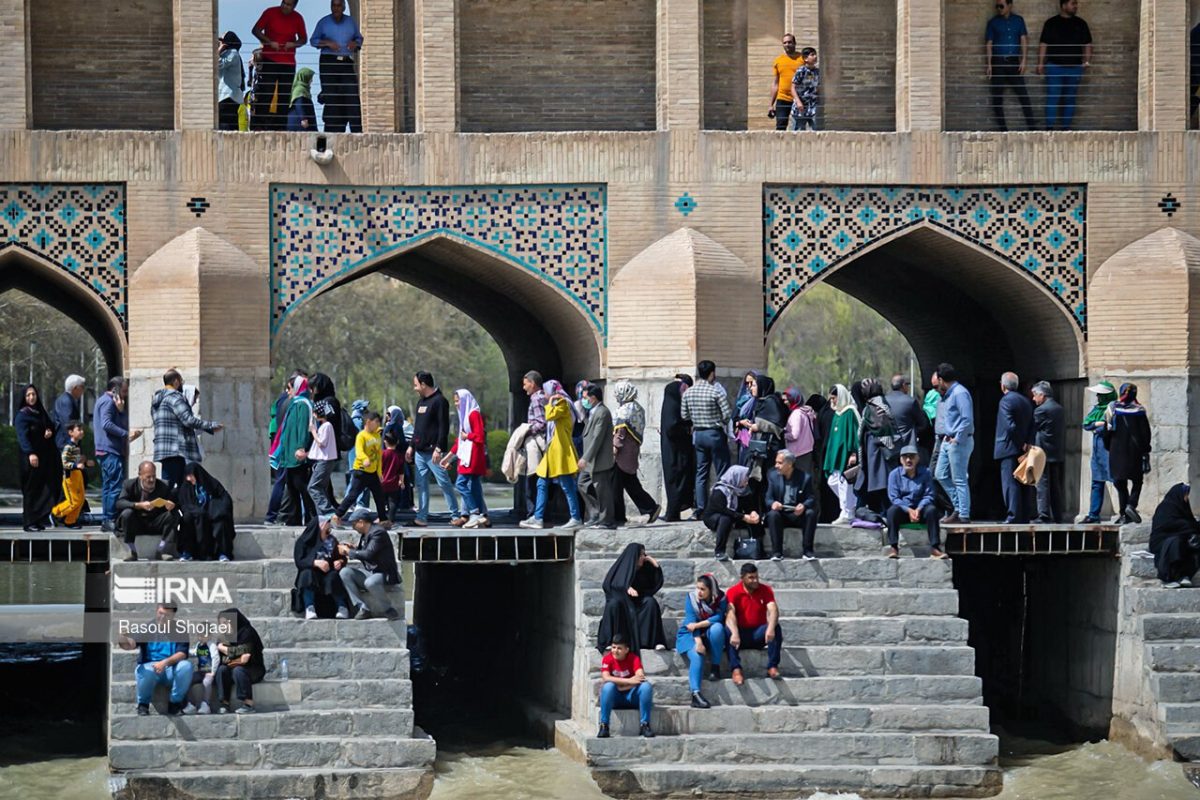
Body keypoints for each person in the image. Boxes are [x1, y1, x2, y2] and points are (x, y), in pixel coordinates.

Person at [520, 380, 585, 530]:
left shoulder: (562, 402)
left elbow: (549, 416)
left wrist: (550, 402)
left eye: (546, 391)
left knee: (567, 485)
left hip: (561, 450)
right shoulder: (558, 401)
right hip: (553, 449)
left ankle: (575, 517)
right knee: (541, 482)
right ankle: (538, 517)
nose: (544, 394)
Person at [407, 372, 463, 527]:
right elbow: (418, 428)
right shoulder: (420, 402)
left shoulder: (440, 401)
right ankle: (422, 516)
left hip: (434, 452)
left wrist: (439, 448)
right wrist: (411, 447)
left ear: (424, 384)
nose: (415, 388)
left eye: (416, 385)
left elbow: (443, 427)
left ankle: (455, 515)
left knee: (443, 482)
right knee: (421, 484)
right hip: (419, 451)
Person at [117, 603, 193, 716]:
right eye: (160, 613)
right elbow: (129, 645)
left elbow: (182, 654)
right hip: (150, 669)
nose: (162, 617)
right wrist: (122, 637)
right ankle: (143, 705)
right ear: (156, 611)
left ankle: (175, 703)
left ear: (173, 615)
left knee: (186, 666)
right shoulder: (146, 628)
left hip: (170, 669)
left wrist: (164, 663)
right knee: (146, 670)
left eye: (167, 615)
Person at [152, 370, 222, 491]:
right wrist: (210, 425)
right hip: (177, 449)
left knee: (167, 485)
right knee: (180, 487)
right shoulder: (175, 398)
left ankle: (168, 509)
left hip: (164, 449)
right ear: (176, 381)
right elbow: (188, 420)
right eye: (181, 381)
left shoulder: (157, 401)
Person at [596, 542, 668, 653]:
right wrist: (625, 588)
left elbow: (653, 585)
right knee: (613, 604)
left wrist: (654, 564)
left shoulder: (644, 569)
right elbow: (609, 586)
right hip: (622, 607)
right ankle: (611, 642)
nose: (643, 558)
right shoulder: (621, 569)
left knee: (650, 602)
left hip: (637, 604)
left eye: (644, 555)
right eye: (641, 555)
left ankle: (651, 642)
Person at [682, 360, 733, 513]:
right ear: (712, 374)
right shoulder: (715, 392)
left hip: (699, 434)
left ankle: (700, 507)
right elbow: (727, 414)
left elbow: (684, 415)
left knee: (701, 472)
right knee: (722, 471)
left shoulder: (688, 392)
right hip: (715, 433)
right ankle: (722, 505)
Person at [336, 507, 402, 620]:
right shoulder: (366, 533)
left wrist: (348, 551)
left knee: (370, 582)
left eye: (353, 524)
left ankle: (388, 609)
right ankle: (363, 608)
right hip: (370, 572)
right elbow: (365, 550)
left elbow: (368, 554)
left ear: (361, 522)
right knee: (345, 572)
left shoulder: (378, 532)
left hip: (384, 574)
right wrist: (353, 548)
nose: (352, 527)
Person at [252, 0, 308, 132]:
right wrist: (269, 42)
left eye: (289, 5)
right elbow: (256, 30)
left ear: (294, 6)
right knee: (266, 92)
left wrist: (293, 44)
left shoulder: (298, 18)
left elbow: (303, 39)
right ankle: (260, 125)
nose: (285, 6)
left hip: (288, 63)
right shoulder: (270, 12)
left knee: (284, 95)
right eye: (284, 2)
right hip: (270, 59)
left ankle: (280, 127)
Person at [94, 376, 141, 532]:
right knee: (114, 486)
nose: (126, 394)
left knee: (108, 486)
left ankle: (107, 519)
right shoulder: (108, 402)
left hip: (106, 450)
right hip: (110, 450)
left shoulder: (105, 401)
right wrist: (125, 434)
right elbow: (106, 424)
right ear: (115, 389)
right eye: (124, 391)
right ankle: (110, 518)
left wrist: (120, 411)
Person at [1037, 0, 1092, 131]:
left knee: (1070, 99)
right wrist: (1040, 63)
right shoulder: (1051, 23)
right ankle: (1049, 130)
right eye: (1073, 3)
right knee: (1053, 98)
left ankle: (1066, 129)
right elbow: (1044, 44)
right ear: (1063, 5)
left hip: (1074, 68)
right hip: (1054, 67)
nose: (1075, 6)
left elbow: (1088, 44)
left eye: (1076, 4)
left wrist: (1087, 61)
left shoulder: (1081, 23)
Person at [309, 0, 363, 133]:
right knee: (331, 96)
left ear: (344, 7)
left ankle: (356, 132)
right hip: (329, 62)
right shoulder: (324, 22)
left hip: (345, 62)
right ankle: (332, 130)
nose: (336, 8)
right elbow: (313, 40)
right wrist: (327, 43)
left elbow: (359, 38)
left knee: (352, 96)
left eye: (339, 5)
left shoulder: (351, 22)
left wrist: (354, 44)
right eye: (333, 5)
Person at [612, 380, 660, 526]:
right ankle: (650, 507)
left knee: (616, 485)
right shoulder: (637, 408)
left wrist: (615, 447)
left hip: (622, 453)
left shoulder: (625, 409)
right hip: (632, 451)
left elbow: (621, 432)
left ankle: (619, 516)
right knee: (630, 483)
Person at [725, 562, 782, 684]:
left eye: (756, 577)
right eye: (751, 577)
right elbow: (730, 613)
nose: (755, 580)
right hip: (740, 635)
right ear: (742, 578)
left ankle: (772, 667)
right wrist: (735, 633)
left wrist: (771, 628)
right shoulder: (733, 591)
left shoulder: (765, 590)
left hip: (758, 633)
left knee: (776, 627)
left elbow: (773, 609)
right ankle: (736, 670)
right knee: (727, 629)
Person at [269, 375, 315, 525]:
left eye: (290, 388)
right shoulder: (295, 403)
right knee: (292, 486)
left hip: (296, 453)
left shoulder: (302, 404)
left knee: (301, 485)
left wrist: (301, 447)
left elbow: (302, 428)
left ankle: (312, 517)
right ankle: (294, 518)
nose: (288, 392)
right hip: (289, 453)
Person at [885, 445, 946, 559]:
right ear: (901, 460)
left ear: (917, 458)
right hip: (904, 510)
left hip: (920, 510)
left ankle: (935, 548)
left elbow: (929, 494)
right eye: (905, 457)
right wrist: (908, 510)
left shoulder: (926, 472)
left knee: (932, 510)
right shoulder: (894, 474)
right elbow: (894, 497)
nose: (909, 460)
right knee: (892, 511)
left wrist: (918, 509)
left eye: (912, 457)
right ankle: (893, 546)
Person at [677, 574, 727, 709]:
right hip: (690, 633)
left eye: (703, 589)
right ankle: (695, 694)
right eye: (697, 588)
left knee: (717, 628)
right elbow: (690, 621)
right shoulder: (691, 598)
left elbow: (719, 617)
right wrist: (698, 641)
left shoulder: (720, 598)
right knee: (697, 655)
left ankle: (715, 667)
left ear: (711, 590)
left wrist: (699, 625)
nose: (699, 592)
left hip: (706, 630)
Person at [1105, 383, 1151, 524]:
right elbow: (1146, 434)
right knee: (1137, 481)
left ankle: (1123, 514)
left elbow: (1106, 431)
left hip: (1116, 452)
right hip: (1135, 453)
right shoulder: (1139, 410)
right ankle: (1131, 505)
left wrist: (1109, 447)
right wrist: (1145, 450)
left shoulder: (1112, 409)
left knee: (1120, 483)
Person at [986, 0, 1035, 131]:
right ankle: (1003, 130)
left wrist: (1024, 59)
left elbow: (1023, 39)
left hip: (1014, 62)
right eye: (997, 6)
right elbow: (989, 43)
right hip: (998, 62)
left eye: (1001, 6)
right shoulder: (993, 22)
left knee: (1023, 95)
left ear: (1009, 6)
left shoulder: (1018, 20)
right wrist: (989, 64)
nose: (999, 9)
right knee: (997, 97)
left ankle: (1033, 128)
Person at [115, 462, 180, 562]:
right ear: (140, 476)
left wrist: (171, 504)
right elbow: (120, 503)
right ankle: (132, 551)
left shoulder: (163, 485)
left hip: (155, 521)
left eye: (154, 476)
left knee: (173, 515)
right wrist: (138, 505)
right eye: (148, 477)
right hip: (137, 522)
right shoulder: (129, 484)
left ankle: (161, 550)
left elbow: (174, 503)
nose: (152, 480)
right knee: (127, 514)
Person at [15, 384, 59, 531]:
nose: (31, 397)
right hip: (30, 459)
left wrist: (48, 431)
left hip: (43, 459)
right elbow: (23, 437)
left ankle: (38, 518)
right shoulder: (23, 415)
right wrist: (30, 453)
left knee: (43, 489)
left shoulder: (40, 412)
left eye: (33, 394)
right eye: (28, 395)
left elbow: (50, 425)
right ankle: (28, 522)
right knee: (31, 490)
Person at [934, 364, 974, 524]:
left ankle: (963, 513)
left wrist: (958, 437)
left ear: (942, 380)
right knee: (940, 474)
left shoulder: (960, 393)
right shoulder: (950, 394)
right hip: (947, 439)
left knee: (959, 478)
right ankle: (958, 506)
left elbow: (967, 418)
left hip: (959, 441)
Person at [333, 411, 389, 523]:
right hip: (361, 471)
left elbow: (379, 455)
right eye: (376, 422)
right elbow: (359, 451)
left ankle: (383, 520)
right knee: (353, 495)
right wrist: (365, 459)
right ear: (368, 422)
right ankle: (337, 515)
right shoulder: (361, 436)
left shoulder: (377, 435)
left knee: (379, 496)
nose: (378, 424)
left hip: (372, 472)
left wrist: (379, 473)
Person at [995, 372, 1035, 524]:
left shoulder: (1005, 401)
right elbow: (1032, 424)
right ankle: (1024, 515)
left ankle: (1013, 515)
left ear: (1003, 385)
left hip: (1009, 447)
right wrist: (1027, 443)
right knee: (1023, 482)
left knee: (1010, 483)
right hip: (1023, 448)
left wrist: (1020, 443)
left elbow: (1010, 426)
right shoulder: (1026, 401)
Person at [597, 633, 655, 739]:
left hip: (631, 697)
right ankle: (604, 725)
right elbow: (606, 677)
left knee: (646, 687)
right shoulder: (607, 659)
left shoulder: (634, 659)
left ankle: (645, 725)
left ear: (626, 650)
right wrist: (629, 681)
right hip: (614, 698)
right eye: (613, 647)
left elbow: (640, 677)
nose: (615, 650)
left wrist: (621, 685)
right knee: (608, 687)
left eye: (619, 648)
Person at [447, 388, 489, 529]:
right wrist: (448, 457)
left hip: (472, 456)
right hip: (468, 455)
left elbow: (480, 437)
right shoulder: (464, 415)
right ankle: (482, 514)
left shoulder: (473, 414)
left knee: (461, 484)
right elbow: (459, 441)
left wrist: (468, 436)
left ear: (465, 400)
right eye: (455, 402)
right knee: (475, 485)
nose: (456, 404)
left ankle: (474, 512)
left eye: (458, 401)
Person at [293, 516, 351, 619]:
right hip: (312, 572)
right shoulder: (303, 541)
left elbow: (341, 557)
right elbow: (299, 561)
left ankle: (342, 606)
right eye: (327, 524)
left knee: (333, 577)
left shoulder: (332, 540)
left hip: (328, 572)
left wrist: (340, 561)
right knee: (306, 574)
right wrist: (314, 562)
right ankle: (309, 607)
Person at [764, 450, 817, 562]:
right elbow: (768, 498)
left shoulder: (804, 477)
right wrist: (773, 503)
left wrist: (803, 505)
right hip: (781, 513)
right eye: (776, 462)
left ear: (789, 464)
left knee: (810, 513)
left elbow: (811, 498)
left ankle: (808, 551)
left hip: (797, 514)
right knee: (773, 515)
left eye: (780, 463)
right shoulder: (773, 476)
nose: (776, 466)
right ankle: (777, 552)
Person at [177, 462, 236, 562]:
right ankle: (188, 552)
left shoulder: (211, 483)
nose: (189, 479)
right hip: (197, 516)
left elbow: (225, 499)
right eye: (187, 476)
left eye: (191, 475)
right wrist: (198, 512)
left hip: (213, 515)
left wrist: (217, 511)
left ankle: (223, 553)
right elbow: (185, 504)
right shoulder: (186, 487)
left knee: (221, 522)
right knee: (187, 519)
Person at [856, 379, 898, 516]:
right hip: (885, 452)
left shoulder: (872, 406)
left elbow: (872, 428)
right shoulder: (884, 403)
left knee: (880, 485)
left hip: (876, 453)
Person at [1077, 380, 1117, 523]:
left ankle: (1125, 511)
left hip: (1109, 450)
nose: (1098, 397)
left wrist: (1099, 427)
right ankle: (1093, 514)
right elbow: (1087, 424)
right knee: (1097, 482)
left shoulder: (1113, 408)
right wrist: (1097, 424)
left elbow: (1110, 427)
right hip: (1098, 452)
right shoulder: (1097, 409)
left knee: (1118, 482)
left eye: (1100, 394)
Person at [578, 384, 616, 530]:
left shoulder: (603, 412)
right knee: (582, 484)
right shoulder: (592, 412)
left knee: (603, 490)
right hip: (590, 461)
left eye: (585, 397)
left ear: (593, 398)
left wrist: (585, 457)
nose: (584, 400)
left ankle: (607, 520)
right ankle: (595, 514)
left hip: (599, 460)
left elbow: (597, 438)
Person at [703, 466, 760, 562]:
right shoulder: (719, 491)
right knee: (725, 519)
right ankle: (719, 551)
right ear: (737, 477)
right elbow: (724, 510)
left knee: (754, 521)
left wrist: (753, 513)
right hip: (715, 517)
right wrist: (743, 517)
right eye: (744, 479)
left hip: (733, 516)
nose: (746, 482)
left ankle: (758, 549)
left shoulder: (739, 490)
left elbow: (747, 505)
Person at [214, 609, 266, 714]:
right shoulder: (224, 636)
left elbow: (245, 651)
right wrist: (235, 658)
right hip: (233, 667)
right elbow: (224, 659)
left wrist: (225, 649)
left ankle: (248, 704)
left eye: (226, 623)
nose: (223, 626)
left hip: (253, 668)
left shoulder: (247, 632)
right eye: (221, 624)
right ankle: (225, 703)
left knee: (238, 670)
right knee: (222, 669)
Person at [1149, 484, 1200, 588]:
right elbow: (1171, 524)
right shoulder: (1165, 508)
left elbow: (1191, 524)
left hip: (1180, 538)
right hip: (1161, 541)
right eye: (1185, 495)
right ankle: (1169, 577)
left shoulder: (1183, 508)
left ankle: (1185, 575)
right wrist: (1190, 528)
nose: (1186, 498)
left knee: (1193, 544)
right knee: (1175, 543)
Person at [823, 384, 860, 525]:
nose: (832, 401)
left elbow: (854, 434)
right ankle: (851, 504)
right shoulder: (837, 413)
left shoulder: (850, 412)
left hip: (846, 454)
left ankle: (846, 512)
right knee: (832, 481)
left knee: (844, 483)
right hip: (835, 454)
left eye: (834, 398)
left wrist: (853, 453)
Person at [661, 375, 695, 522]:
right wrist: (687, 429)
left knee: (674, 479)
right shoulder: (675, 406)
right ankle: (673, 512)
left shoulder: (671, 404)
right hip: (678, 449)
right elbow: (673, 427)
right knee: (677, 478)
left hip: (672, 448)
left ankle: (673, 512)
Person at [1031, 381, 1066, 523]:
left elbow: (1034, 427)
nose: (1033, 399)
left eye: (1034, 395)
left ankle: (1044, 515)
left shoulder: (1041, 410)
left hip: (1042, 451)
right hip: (1056, 451)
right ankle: (1058, 515)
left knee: (1042, 483)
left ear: (1042, 395)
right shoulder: (1059, 408)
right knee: (1055, 485)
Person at [519, 370, 548, 518]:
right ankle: (538, 512)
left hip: (536, 443)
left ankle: (534, 513)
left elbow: (541, 423)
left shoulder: (536, 399)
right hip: (540, 443)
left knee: (532, 477)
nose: (524, 388)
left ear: (532, 383)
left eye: (525, 384)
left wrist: (526, 431)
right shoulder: (543, 397)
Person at [51, 421, 91, 528]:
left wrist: (86, 464)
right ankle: (55, 513)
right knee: (73, 501)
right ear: (70, 432)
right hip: (70, 476)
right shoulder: (68, 447)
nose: (82, 432)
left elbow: (77, 461)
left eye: (82, 430)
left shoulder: (76, 446)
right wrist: (75, 466)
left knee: (81, 500)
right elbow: (64, 463)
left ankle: (70, 521)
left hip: (78, 475)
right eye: (79, 430)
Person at [306, 399, 339, 516]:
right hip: (325, 460)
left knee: (313, 487)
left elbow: (321, 442)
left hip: (324, 461)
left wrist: (313, 432)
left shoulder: (326, 426)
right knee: (320, 487)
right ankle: (322, 515)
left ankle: (328, 512)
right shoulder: (326, 426)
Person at [885, 374, 929, 457]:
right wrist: (913, 431)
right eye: (907, 384)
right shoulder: (910, 402)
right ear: (903, 385)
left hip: (888, 448)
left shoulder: (883, 401)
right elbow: (923, 424)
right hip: (907, 447)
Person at [767, 33, 804, 130]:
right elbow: (775, 83)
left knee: (799, 127)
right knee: (780, 126)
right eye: (785, 43)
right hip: (783, 98)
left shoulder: (802, 59)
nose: (787, 44)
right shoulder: (778, 61)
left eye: (790, 42)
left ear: (795, 43)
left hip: (799, 99)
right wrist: (771, 105)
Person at [782, 386, 817, 477]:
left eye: (786, 400)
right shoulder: (805, 412)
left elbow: (794, 435)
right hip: (806, 450)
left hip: (798, 453)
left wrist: (782, 434)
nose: (785, 402)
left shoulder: (796, 414)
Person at [217, 31, 246, 131]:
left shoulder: (232, 53)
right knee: (230, 124)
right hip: (226, 96)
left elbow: (217, 64)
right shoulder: (229, 54)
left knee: (224, 123)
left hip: (228, 96)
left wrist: (218, 51)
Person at [789, 47, 820, 131]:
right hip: (801, 107)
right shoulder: (801, 71)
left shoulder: (817, 72)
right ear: (805, 58)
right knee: (798, 132)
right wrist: (798, 101)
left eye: (815, 54)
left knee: (815, 132)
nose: (815, 57)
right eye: (812, 55)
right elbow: (793, 87)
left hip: (812, 107)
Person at [52, 374, 86, 452]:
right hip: (66, 444)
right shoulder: (66, 401)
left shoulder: (68, 400)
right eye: (82, 387)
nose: (83, 391)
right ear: (75, 388)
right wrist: (72, 445)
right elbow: (68, 424)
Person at [382, 434, 407, 525]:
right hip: (394, 482)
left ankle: (382, 518)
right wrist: (402, 481)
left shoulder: (382, 454)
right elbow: (401, 471)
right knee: (393, 502)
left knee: (381, 501)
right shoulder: (399, 456)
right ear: (397, 442)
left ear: (385, 442)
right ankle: (391, 520)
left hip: (382, 482)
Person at [286, 67, 318, 131]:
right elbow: (299, 104)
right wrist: (303, 118)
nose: (311, 80)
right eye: (310, 78)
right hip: (299, 124)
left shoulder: (304, 90)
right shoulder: (300, 90)